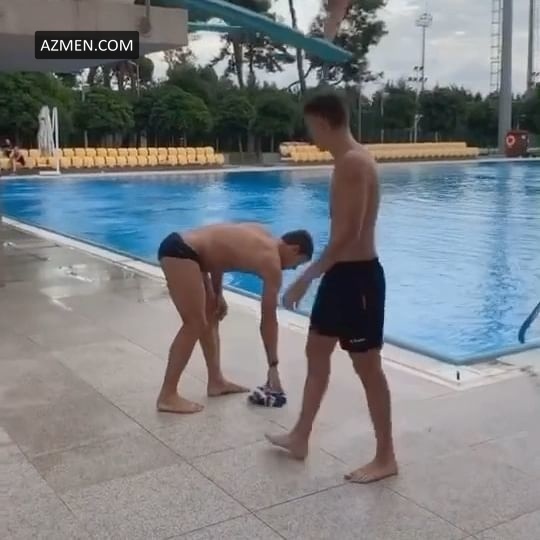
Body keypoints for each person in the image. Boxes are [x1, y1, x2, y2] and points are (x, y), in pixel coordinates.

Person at [266, 92, 397, 484]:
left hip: (358, 280)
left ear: (323, 122)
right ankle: (300, 437)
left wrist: (305, 278)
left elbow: (347, 235)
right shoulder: (349, 161)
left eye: (311, 127)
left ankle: (386, 456)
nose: (311, 135)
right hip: (342, 276)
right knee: (316, 350)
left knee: (367, 368)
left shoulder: (353, 163)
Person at [156, 222, 314, 414]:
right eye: (297, 264)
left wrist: (217, 293)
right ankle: (167, 396)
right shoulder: (271, 262)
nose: (292, 269)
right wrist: (273, 365)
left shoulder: (260, 232)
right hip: (181, 253)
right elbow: (268, 319)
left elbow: (219, 250)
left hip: (188, 249)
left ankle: (216, 382)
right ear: (294, 249)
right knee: (194, 324)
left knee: (210, 315)